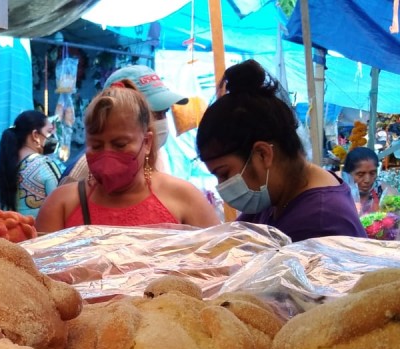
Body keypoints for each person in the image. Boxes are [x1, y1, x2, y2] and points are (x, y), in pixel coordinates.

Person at [196, 60, 367, 242]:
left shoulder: (319, 222)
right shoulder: (276, 193)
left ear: (263, 154)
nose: (222, 187)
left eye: (224, 174)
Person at [35, 80, 219, 233]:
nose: (107, 154)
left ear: (146, 142)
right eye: (96, 145)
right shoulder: (61, 204)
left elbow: (217, 268)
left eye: (120, 144)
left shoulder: (185, 198)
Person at [59, 64, 189, 185]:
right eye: (153, 115)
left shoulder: (156, 157)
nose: (162, 122)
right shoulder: (84, 173)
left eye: (164, 113)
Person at [0, 110, 62, 218]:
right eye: (50, 132)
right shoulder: (45, 165)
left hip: (13, 232)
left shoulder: (4, 168)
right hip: (44, 233)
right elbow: (62, 207)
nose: (53, 137)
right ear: (35, 135)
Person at [342, 147, 382, 214]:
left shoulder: (383, 192)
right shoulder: (339, 196)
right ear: (347, 174)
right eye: (360, 174)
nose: (367, 180)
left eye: (372, 173)